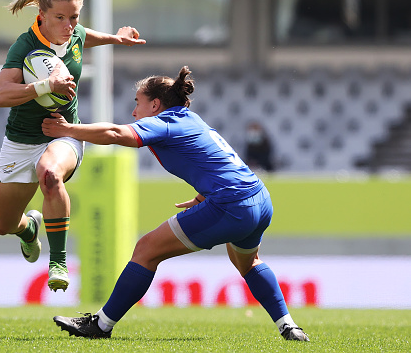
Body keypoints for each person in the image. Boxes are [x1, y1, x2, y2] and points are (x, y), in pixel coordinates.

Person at [42, 66, 309, 341]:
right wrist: (202, 196)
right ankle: (289, 326)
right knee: (248, 262)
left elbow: (114, 133)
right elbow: (219, 160)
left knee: (146, 250)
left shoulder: (164, 122)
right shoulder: (190, 119)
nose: (134, 112)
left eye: (138, 103)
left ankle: (100, 325)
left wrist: (69, 129)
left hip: (231, 204)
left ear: (155, 104)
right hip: (259, 199)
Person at [0, 0, 145, 293]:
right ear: (41, 15)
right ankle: (29, 229)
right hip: (20, 141)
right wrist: (45, 85)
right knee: (3, 225)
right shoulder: (24, 46)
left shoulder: (73, 32)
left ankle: (58, 262)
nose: (68, 26)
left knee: (50, 174)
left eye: (74, 17)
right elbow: (0, 96)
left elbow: (85, 37)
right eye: (60, 18)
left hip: (62, 134)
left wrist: (116, 38)